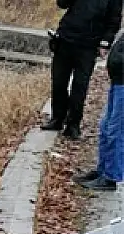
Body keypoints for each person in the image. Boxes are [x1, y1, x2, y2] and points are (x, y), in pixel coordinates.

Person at [42, 0, 122, 140]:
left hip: (89, 45)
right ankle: (57, 119)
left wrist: (105, 42)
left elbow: (114, 20)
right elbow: (62, 3)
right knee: (59, 82)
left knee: (80, 86)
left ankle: (73, 124)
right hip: (66, 38)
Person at [75, 32, 124, 190]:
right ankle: (103, 170)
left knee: (115, 130)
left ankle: (110, 177)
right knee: (106, 128)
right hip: (118, 81)